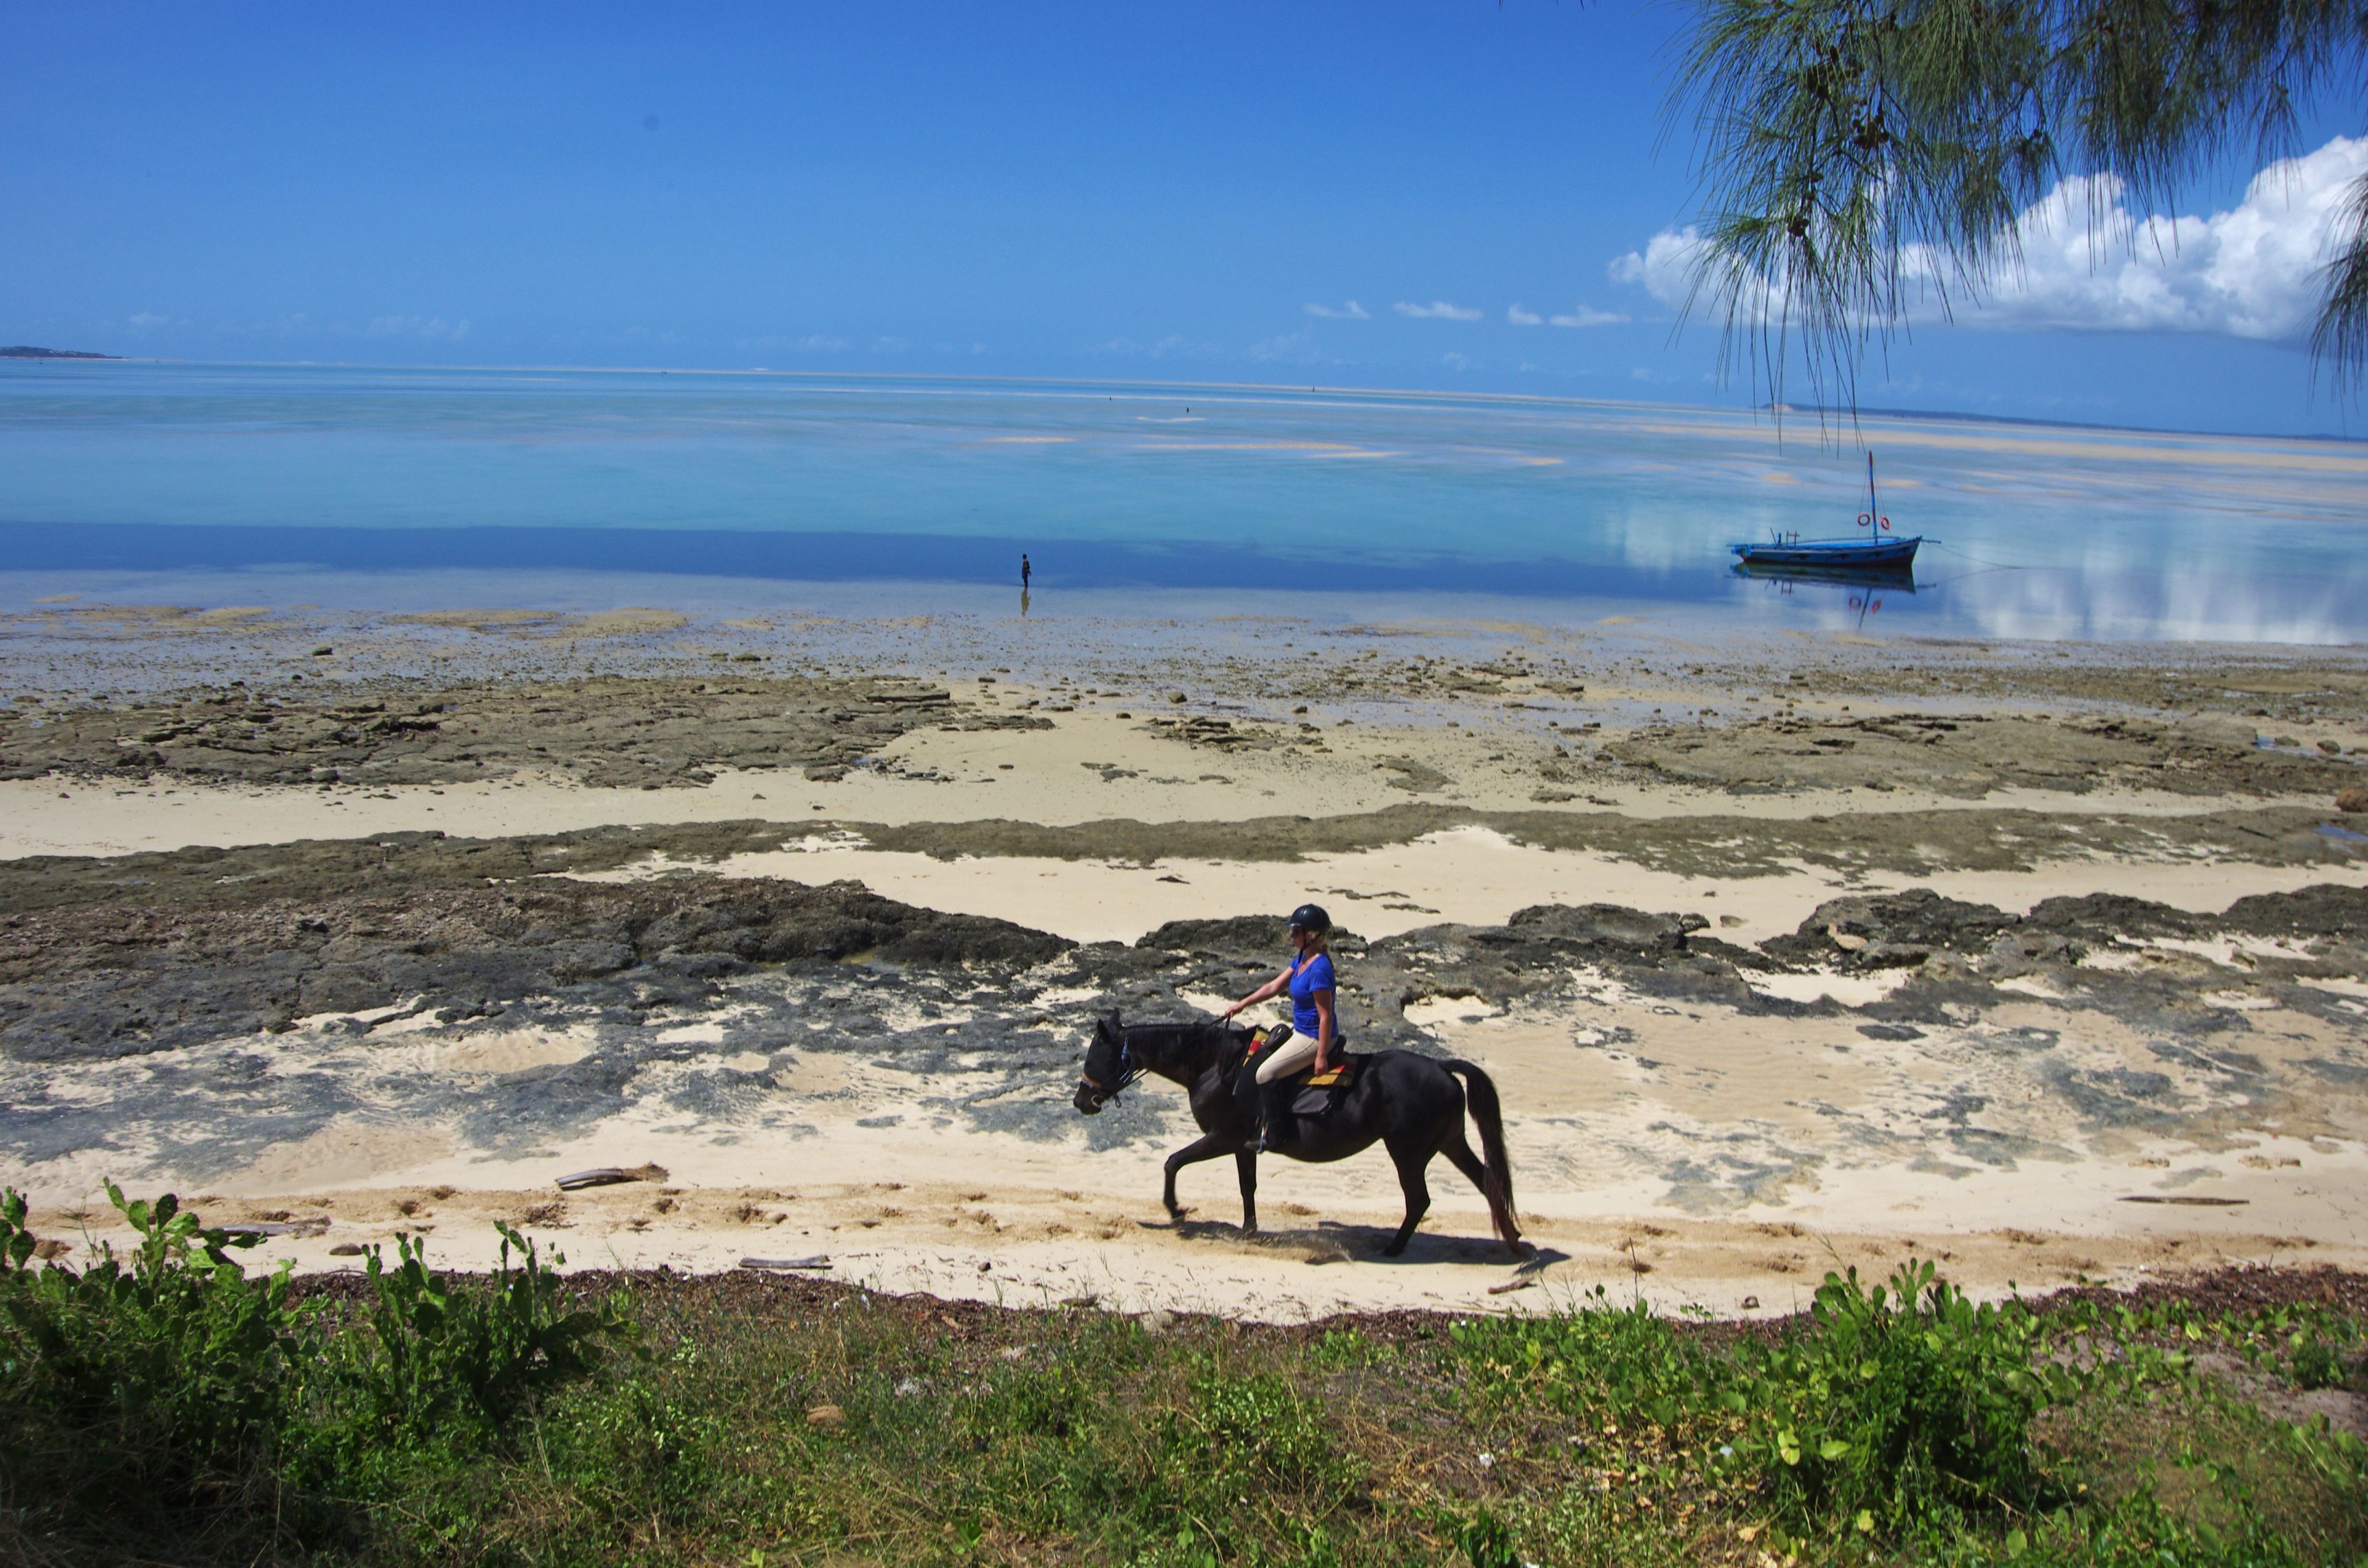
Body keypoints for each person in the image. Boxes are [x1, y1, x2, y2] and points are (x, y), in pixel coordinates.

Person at [1219, 903, 1340, 1151]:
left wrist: (1320, 1056)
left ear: (1311, 935)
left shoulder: (1319, 968)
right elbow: (1274, 987)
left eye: (1296, 932)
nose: (1292, 937)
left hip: (1314, 1038)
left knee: (1265, 1074)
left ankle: (1276, 1135)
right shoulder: (1302, 960)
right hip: (1300, 1031)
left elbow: (1325, 1016)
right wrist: (1243, 1004)